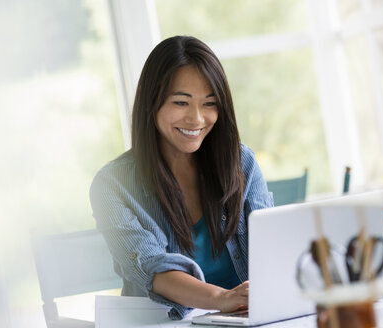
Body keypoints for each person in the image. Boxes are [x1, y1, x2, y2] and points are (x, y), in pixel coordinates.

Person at [90, 35, 273, 320]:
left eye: (209, 104)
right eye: (181, 102)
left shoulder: (242, 163)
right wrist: (222, 298)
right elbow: (152, 268)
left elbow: (271, 247)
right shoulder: (113, 185)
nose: (197, 119)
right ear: (152, 103)